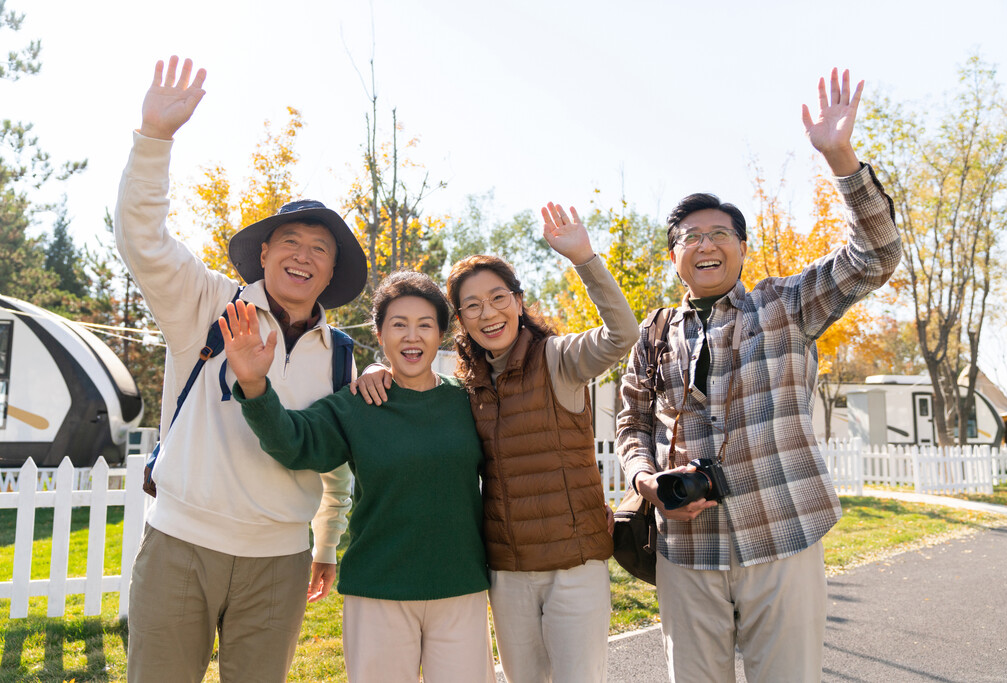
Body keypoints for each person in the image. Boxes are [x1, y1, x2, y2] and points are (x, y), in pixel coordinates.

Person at [615, 69, 902, 682]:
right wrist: (643, 479)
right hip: (687, 551)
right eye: (690, 237)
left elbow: (875, 256)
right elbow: (631, 420)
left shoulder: (785, 305)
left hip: (784, 534)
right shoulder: (655, 331)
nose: (706, 243)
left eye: (720, 233)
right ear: (674, 258)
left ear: (742, 250)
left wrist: (842, 160)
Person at [115, 56, 367, 683]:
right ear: (263, 254)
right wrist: (155, 138)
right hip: (179, 547)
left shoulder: (340, 356)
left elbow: (334, 465)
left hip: (279, 562)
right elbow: (142, 238)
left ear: (332, 275)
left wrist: (327, 543)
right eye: (290, 242)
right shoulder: (206, 305)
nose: (303, 257)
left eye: (320, 250)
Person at [355, 203, 640, 682]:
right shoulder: (468, 385)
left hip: (575, 566)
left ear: (518, 300)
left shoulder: (559, 359)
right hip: (508, 573)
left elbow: (622, 334)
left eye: (498, 297)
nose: (488, 313)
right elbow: (415, 382)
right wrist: (374, 368)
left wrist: (585, 259)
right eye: (472, 305)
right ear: (461, 321)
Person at [222, 271, 494, 683]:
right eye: (398, 325)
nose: (412, 337)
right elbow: (294, 443)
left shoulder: (469, 400)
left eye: (425, 325)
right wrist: (253, 383)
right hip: (377, 589)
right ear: (379, 334)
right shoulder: (357, 404)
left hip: (461, 585)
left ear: (441, 334)